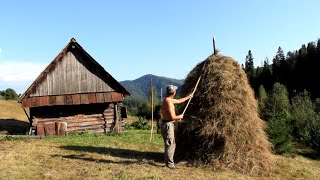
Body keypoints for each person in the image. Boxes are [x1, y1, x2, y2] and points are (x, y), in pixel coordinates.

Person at [160, 84, 192, 169]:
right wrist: (180, 117)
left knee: (170, 144)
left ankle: (168, 161)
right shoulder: (168, 102)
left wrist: (189, 97)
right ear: (173, 92)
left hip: (166, 123)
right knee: (170, 144)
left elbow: (179, 101)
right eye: (175, 90)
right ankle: (170, 164)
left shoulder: (168, 100)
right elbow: (172, 117)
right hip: (168, 124)